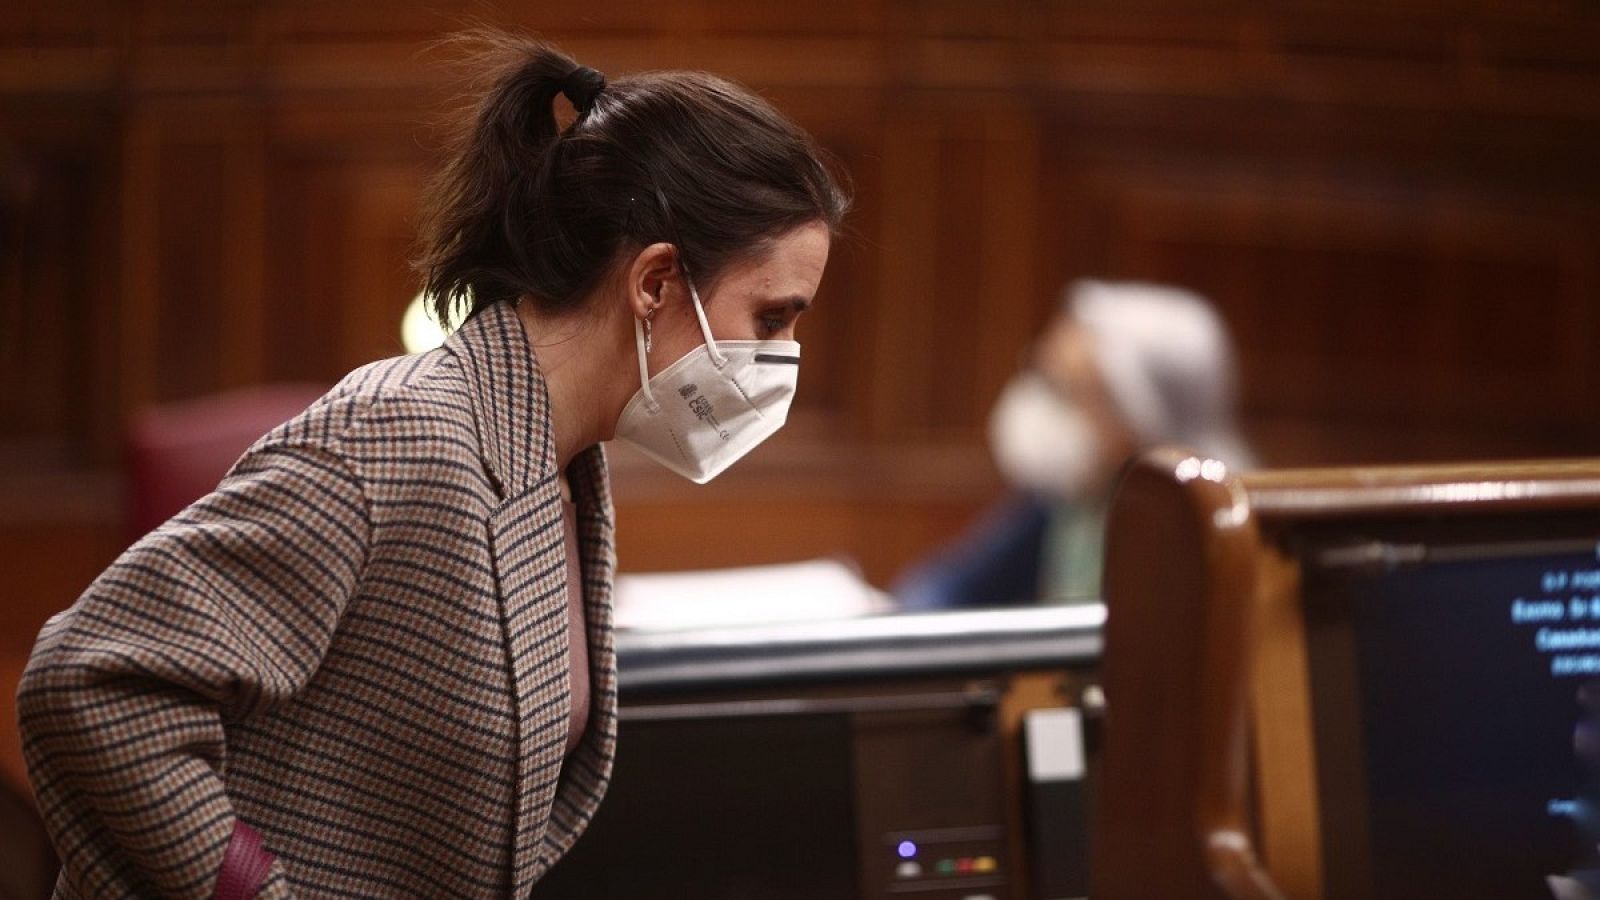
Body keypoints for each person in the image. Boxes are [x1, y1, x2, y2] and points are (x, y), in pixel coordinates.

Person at [17, 32, 848, 898]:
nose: (786, 355)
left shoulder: (562, 461)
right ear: (656, 283)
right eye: (772, 317)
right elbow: (90, 682)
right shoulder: (402, 434)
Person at [893, 279, 1251, 609]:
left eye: (1069, 392)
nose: (1045, 408)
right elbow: (945, 586)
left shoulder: (1203, 534)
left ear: (1138, 416)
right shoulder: (1069, 498)